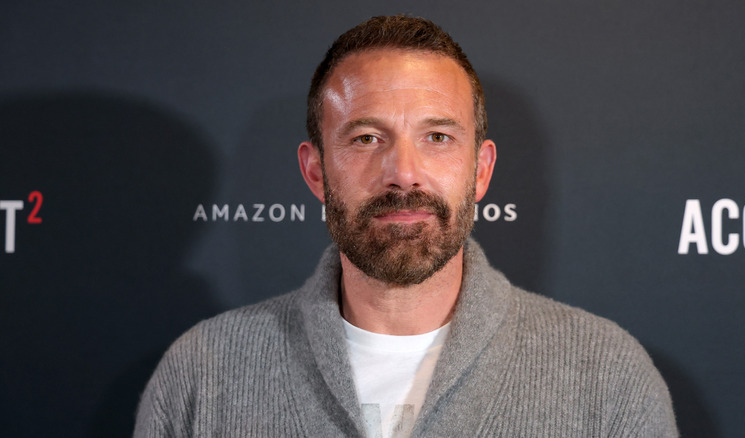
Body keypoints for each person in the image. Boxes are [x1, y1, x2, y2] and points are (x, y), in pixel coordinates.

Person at [134, 15, 677, 437]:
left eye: (437, 137)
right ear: (316, 171)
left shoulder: (606, 377)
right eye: (366, 138)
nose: (403, 174)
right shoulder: (203, 374)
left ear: (481, 170)